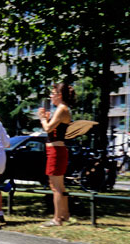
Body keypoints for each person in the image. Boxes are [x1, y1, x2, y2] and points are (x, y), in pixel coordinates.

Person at [38, 83, 75, 227]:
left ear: (59, 95)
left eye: (52, 94)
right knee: (59, 185)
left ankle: (57, 219)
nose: (51, 96)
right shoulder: (62, 109)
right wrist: (47, 119)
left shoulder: (62, 109)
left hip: (56, 151)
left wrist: (42, 119)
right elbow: (51, 129)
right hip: (56, 150)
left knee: (56, 186)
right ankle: (64, 214)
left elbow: (47, 128)